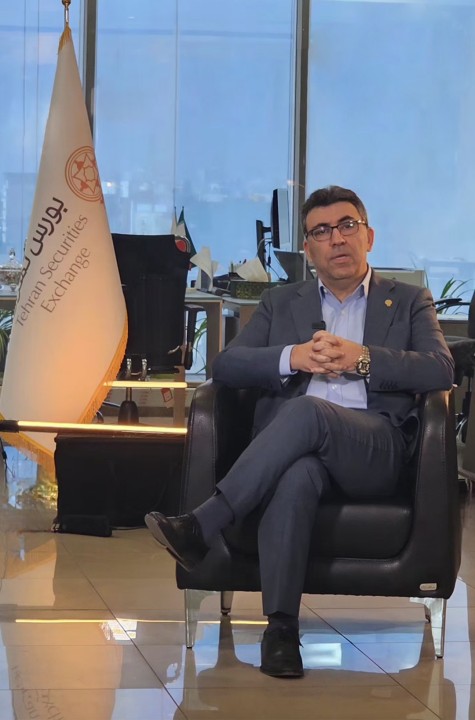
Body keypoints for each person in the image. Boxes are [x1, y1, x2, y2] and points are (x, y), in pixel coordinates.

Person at [145, 185, 454, 679]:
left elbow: (440, 368)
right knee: (295, 477)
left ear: (369, 236)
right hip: (295, 452)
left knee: (309, 412)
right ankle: (281, 630)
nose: (337, 239)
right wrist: (295, 357)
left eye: (348, 225)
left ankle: (203, 525)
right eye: (322, 231)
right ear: (308, 249)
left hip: (374, 448)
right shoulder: (280, 302)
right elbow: (227, 365)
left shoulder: (408, 300)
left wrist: (363, 359)